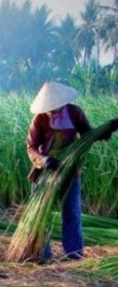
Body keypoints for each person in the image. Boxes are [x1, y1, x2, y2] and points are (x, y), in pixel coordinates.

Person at [27, 81, 118, 261]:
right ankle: (42, 255)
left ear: (62, 103)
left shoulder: (74, 112)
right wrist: (44, 160)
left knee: (72, 213)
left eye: (54, 107)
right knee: (41, 214)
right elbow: (31, 147)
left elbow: (88, 136)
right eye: (49, 108)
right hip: (46, 173)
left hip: (70, 172)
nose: (52, 110)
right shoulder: (39, 119)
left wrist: (109, 128)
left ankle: (74, 255)